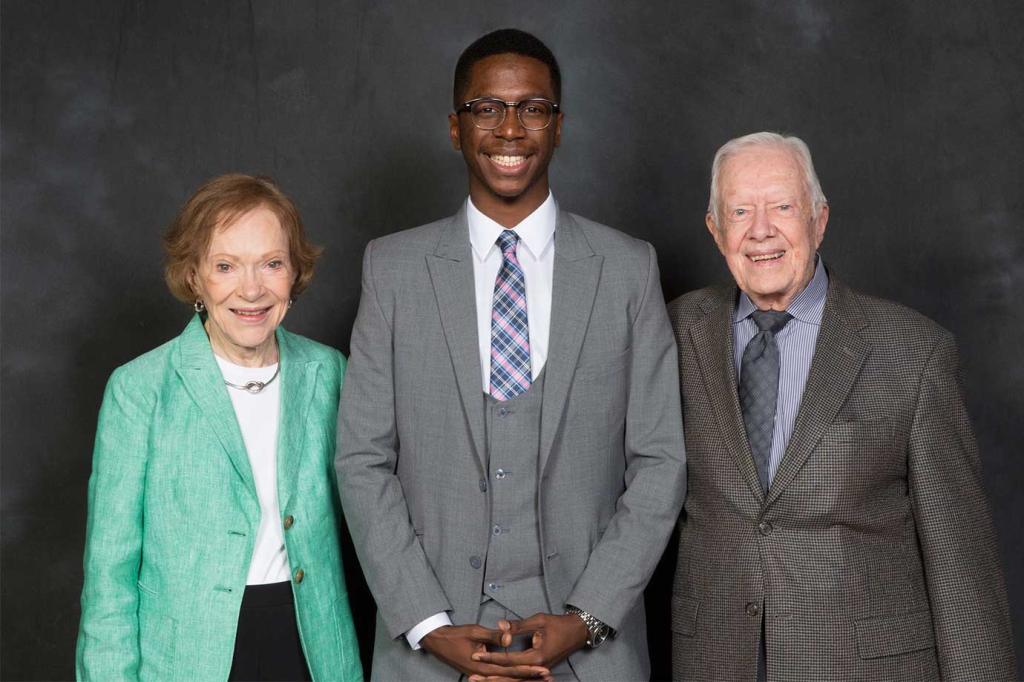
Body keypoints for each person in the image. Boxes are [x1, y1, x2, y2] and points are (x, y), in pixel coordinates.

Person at [335, 28, 685, 682]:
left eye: (532, 108)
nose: (510, 128)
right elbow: (362, 459)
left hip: (592, 654)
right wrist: (429, 625)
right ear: (455, 127)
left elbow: (661, 461)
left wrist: (587, 618)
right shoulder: (393, 269)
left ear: (558, 126)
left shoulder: (628, 269)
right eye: (487, 108)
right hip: (432, 653)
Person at [667, 132, 1017, 681]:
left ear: (819, 219)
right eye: (739, 210)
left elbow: (960, 562)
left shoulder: (914, 352)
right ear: (716, 230)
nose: (761, 230)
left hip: (863, 666)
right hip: (716, 661)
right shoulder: (672, 334)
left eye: (782, 206)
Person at [76, 174, 363, 682]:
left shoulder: (330, 373)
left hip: (313, 649)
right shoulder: (140, 389)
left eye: (271, 264)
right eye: (225, 266)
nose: (251, 289)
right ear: (194, 278)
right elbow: (109, 578)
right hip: (188, 656)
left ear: (294, 272)